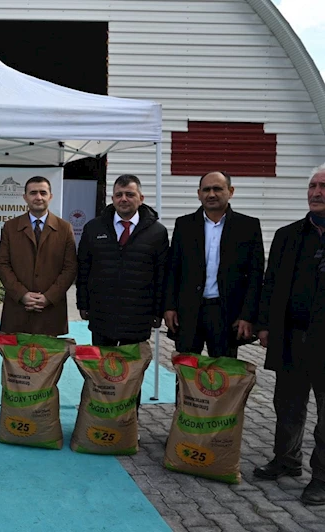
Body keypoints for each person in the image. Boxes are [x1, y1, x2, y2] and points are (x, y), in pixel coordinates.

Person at [252, 164, 325, 506]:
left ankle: (321, 478)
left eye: (323, 186)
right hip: (292, 337)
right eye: (312, 186)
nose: (316, 192)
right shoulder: (288, 235)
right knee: (287, 405)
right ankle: (286, 460)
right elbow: (270, 284)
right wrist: (264, 325)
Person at [164, 171, 264, 357]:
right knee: (186, 368)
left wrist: (247, 315)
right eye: (206, 190)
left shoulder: (247, 227)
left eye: (217, 189)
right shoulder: (184, 225)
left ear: (230, 191)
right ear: (199, 193)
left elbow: (255, 276)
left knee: (223, 370)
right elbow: (173, 269)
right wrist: (169, 307)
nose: (211, 194)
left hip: (225, 313)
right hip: (189, 311)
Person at [77, 174, 168, 346]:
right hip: (102, 316)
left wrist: (158, 311)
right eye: (119, 195)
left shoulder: (157, 232)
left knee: (133, 363)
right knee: (101, 363)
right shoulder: (93, 228)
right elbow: (83, 269)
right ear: (112, 199)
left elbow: (161, 275)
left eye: (130, 194)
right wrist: (83, 303)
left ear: (141, 199)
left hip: (138, 317)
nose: (124, 199)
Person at [0, 175, 77, 336]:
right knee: (15, 353)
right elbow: (2, 264)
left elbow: (70, 268)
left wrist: (49, 297)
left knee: (49, 353)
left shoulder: (65, 228)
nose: (38, 197)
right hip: (18, 310)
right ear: (25, 197)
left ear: (50, 196)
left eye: (43, 192)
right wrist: (22, 294)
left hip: (51, 311)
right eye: (33, 193)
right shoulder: (10, 227)